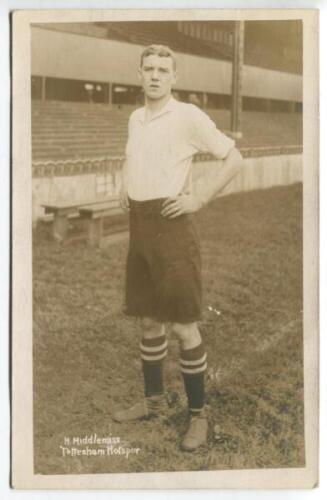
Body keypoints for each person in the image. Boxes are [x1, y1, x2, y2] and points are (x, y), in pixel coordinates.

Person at [112, 44, 243, 452]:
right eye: (148, 68)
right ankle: (152, 402)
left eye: (162, 70)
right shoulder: (136, 117)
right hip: (139, 227)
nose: (154, 75)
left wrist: (199, 198)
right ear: (139, 74)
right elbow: (132, 157)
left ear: (174, 77)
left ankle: (198, 417)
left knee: (184, 326)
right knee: (150, 322)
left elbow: (234, 159)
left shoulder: (187, 116)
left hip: (173, 228)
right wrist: (123, 182)